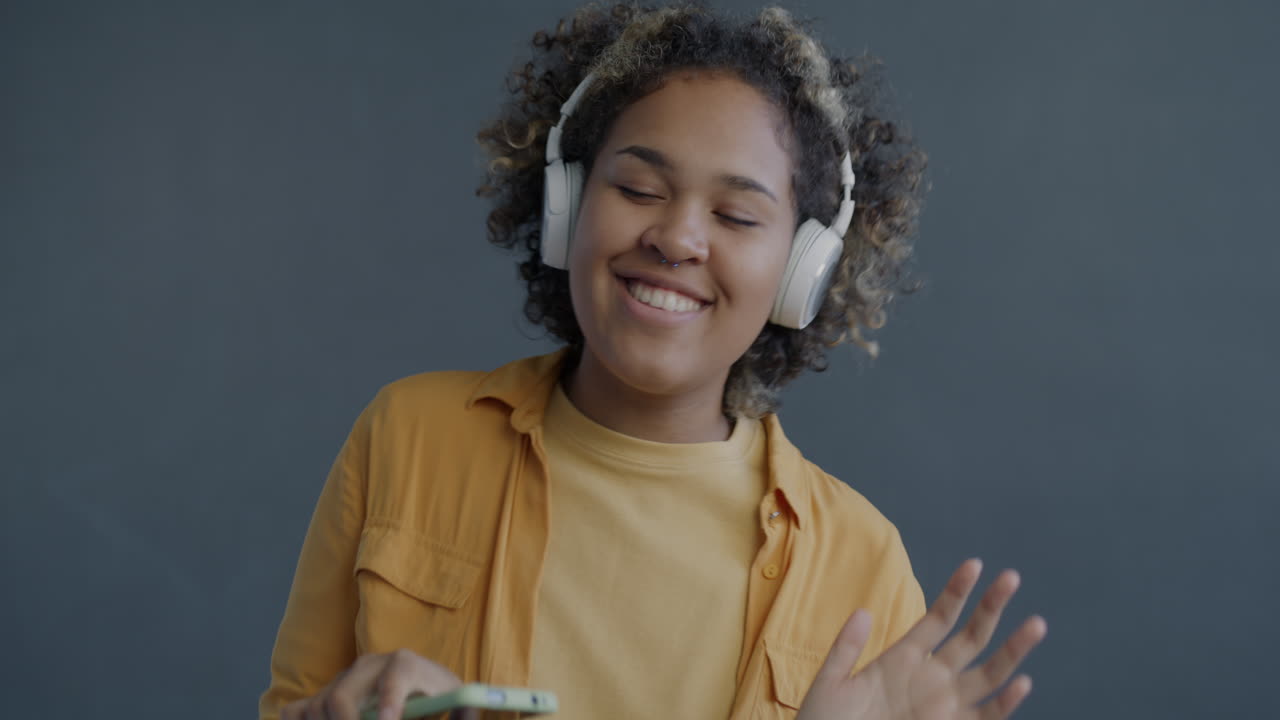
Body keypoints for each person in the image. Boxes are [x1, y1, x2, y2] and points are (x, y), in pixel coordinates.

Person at [260, 4, 1047, 720]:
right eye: (638, 188)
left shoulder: (861, 568)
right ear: (567, 209)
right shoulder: (408, 438)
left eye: (737, 214)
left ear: (801, 271)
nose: (676, 239)